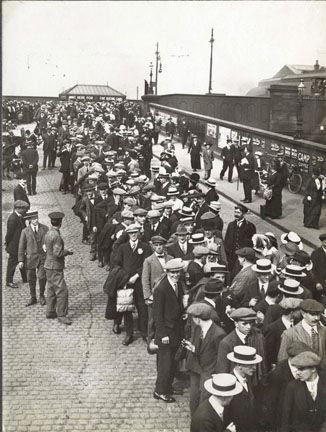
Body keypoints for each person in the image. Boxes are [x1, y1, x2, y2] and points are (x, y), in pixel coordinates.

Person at [112, 223, 152, 344]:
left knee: (142, 307)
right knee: (127, 307)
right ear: (128, 234)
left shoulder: (145, 247)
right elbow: (117, 263)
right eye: (131, 233)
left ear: (139, 233)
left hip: (140, 281)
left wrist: (137, 275)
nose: (133, 235)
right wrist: (124, 276)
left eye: (135, 233)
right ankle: (129, 334)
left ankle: (144, 332)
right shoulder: (123, 248)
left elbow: (146, 263)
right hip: (126, 282)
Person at [153, 258, 185, 403]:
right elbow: (157, 315)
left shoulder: (178, 285)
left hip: (175, 330)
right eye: (172, 272)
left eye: (178, 272)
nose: (175, 275)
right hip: (166, 332)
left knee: (173, 362)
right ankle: (160, 391)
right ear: (167, 272)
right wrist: (162, 334)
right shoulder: (161, 289)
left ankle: (168, 387)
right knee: (165, 364)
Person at [185, 302, 226, 414]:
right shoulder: (198, 329)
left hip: (209, 372)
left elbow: (221, 357)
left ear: (198, 319)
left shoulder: (219, 334)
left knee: (204, 401)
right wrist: (193, 348)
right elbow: (202, 348)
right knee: (194, 399)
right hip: (196, 369)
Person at [281, 351, 326, 432]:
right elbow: (285, 418)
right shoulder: (292, 387)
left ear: (313, 369)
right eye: (297, 369)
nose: (297, 373)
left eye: (301, 369)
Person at [44, 212, 74, 325]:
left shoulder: (48, 233)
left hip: (48, 266)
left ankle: (50, 311)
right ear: (60, 223)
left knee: (51, 289)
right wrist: (68, 252)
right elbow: (58, 253)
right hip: (55, 267)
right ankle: (61, 315)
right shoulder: (57, 236)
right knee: (62, 291)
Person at [278, 299, 326, 369]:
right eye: (312, 314)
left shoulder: (324, 331)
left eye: (318, 314)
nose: (317, 318)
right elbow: (282, 361)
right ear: (303, 314)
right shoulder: (289, 334)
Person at [141, 235, 173, 341]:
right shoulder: (148, 260)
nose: (159, 247)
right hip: (154, 295)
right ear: (153, 247)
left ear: (164, 246)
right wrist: (148, 296)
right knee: (152, 319)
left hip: (168, 293)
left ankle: (164, 337)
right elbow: (145, 280)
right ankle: (151, 340)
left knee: (166, 316)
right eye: (156, 245)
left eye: (161, 245)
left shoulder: (170, 258)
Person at [227, 345, 263, 432]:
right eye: (250, 365)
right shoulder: (229, 384)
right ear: (239, 365)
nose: (254, 368)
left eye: (254, 364)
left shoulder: (248, 378)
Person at [18, 211, 49, 306]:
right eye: (33, 219)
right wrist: (21, 260)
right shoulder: (25, 231)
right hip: (30, 259)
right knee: (31, 279)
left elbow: (49, 241)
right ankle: (33, 297)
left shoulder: (45, 228)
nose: (36, 220)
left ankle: (42, 295)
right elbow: (21, 246)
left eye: (37, 218)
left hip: (42, 258)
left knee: (42, 277)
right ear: (29, 220)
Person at [224, 205, 256, 272]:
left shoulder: (250, 226)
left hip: (242, 256)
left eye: (238, 213)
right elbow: (226, 240)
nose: (236, 214)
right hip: (231, 256)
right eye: (235, 212)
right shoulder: (231, 225)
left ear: (243, 213)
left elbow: (252, 243)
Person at [5, 200, 29, 288]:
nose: (26, 211)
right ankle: (9, 281)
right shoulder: (13, 218)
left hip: (20, 244)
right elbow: (9, 235)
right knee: (12, 264)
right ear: (18, 208)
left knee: (22, 260)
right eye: (25, 209)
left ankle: (25, 278)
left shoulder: (19, 216)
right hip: (14, 246)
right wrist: (8, 245)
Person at [310, 233, 326, 305]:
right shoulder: (316, 253)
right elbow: (312, 270)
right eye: (325, 241)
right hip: (320, 283)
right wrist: (317, 282)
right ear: (322, 242)